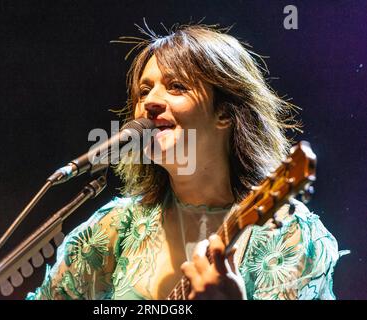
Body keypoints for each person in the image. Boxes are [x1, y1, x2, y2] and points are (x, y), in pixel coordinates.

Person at [26, 23, 342, 300]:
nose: (149, 102)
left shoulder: (288, 234)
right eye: (143, 91)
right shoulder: (114, 228)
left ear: (225, 113)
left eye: (177, 86)